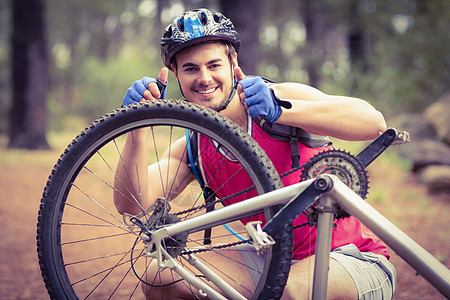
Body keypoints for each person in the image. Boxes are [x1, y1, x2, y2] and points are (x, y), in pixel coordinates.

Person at [114, 8, 396, 300]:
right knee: (160, 277)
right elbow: (132, 206)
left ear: (233, 61)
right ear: (175, 74)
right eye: (190, 68)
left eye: (214, 65)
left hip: (349, 258)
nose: (204, 78)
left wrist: (281, 110)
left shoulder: (280, 95)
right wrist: (138, 126)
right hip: (271, 262)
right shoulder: (195, 146)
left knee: (287, 293)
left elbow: (373, 123)